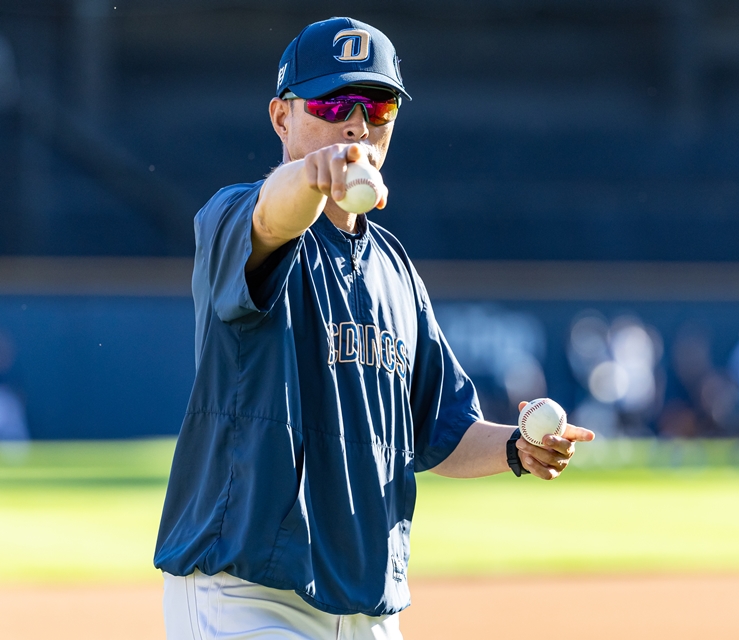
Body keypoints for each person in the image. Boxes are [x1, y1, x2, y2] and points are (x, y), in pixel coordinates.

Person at [153, 17, 594, 640]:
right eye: (332, 102)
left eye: (376, 105)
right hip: (248, 594)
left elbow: (439, 430)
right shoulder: (234, 216)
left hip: (366, 606)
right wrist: (313, 174)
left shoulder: (395, 269)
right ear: (282, 118)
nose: (356, 123)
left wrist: (513, 449)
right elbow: (273, 217)